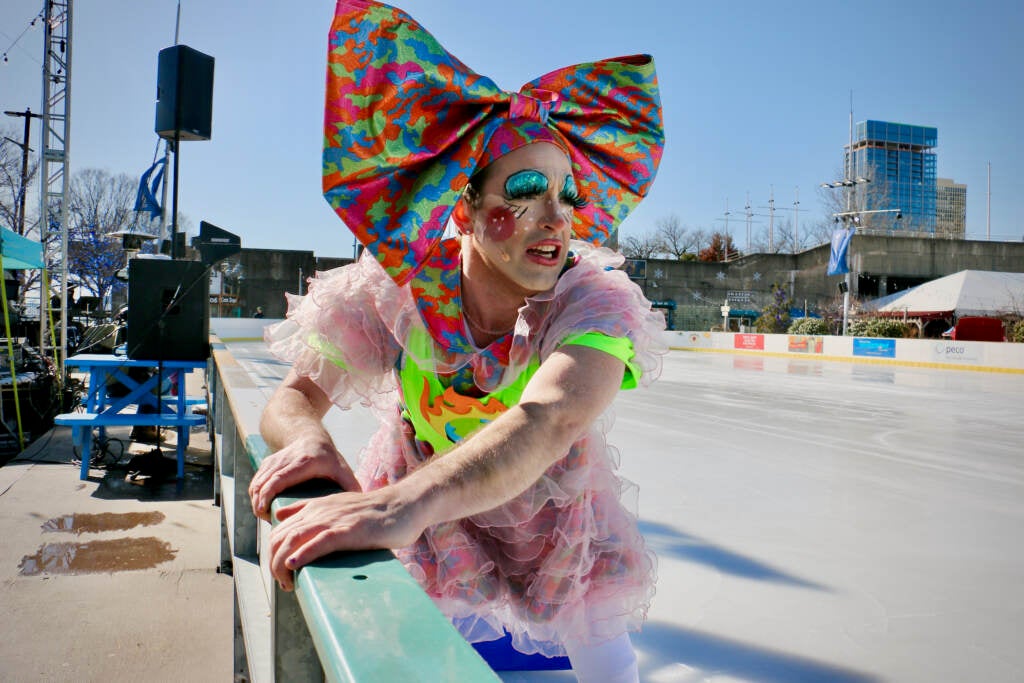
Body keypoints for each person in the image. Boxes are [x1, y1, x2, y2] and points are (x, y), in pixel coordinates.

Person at [250, 2, 665, 680]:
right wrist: (310, 442)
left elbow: (551, 416)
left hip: (560, 530)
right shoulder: (399, 287)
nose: (555, 216)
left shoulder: (590, 298)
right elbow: (291, 398)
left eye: (568, 194)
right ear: (465, 211)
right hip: (438, 533)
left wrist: (394, 505)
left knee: (611, 668)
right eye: (527, 190)